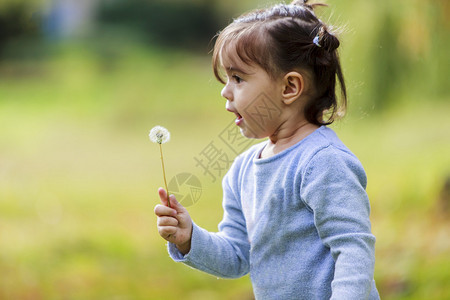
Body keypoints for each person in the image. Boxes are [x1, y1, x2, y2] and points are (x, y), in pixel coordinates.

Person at [154, 1, 380, 299]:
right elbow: (237, 255)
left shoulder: (323, 162)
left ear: (289, 88)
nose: (225, 89)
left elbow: (353, 249)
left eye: (238, 78)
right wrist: (189, 239)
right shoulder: (243, 170)